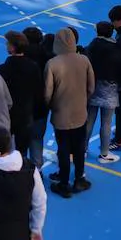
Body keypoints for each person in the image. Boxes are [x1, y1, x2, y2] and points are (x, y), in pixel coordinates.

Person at [43, 26, 94, 197]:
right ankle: (79, 178)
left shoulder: (52, 64)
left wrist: (51, 106)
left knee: (63, 149)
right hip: (80, 112)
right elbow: (91, 87)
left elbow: (47, 93)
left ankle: (63, 183)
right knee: (79, 148)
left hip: (61, 115)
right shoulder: (84, 60)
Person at [0, 31, 44, 168]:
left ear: (12, 47)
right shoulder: (33, 67)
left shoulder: (3, 69)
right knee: (22, 151)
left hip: (8, 116)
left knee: (5, 149)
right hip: (26, 115)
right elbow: (38, 92)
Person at [83, 21, 121, 164]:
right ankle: (104, 153)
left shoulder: (91, 47)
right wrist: (120, 85)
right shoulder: (117, 49)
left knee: (89, 120)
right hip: (110, 89)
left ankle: (83, 150)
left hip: (93, 87)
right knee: (106, 123)